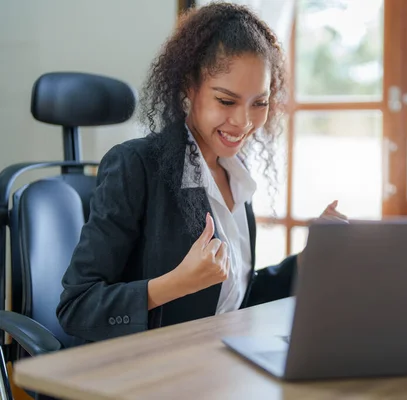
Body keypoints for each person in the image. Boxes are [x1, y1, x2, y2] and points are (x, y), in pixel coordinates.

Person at [56, 2, 347, 345]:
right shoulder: (136, 166)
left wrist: (310, 259)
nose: (244, 122)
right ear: (188, 88)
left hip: (212, 361)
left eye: (260, 103)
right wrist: (175, 283)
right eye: (226, 101)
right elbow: (76, 308)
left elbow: (234, 299)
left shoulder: (234, 174)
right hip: (146, 370)